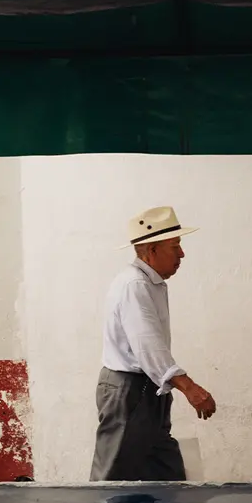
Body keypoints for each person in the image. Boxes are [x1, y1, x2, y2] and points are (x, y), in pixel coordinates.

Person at [90, 206, 216, 481]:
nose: (182, 254)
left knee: (165, 470)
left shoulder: (149, 283)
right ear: (151, 249)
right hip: (130, 391)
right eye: (175, 246)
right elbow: (147, 347)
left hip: (148, 389)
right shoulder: (135, 285)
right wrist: (189, 387)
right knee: (113, 477)